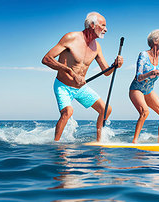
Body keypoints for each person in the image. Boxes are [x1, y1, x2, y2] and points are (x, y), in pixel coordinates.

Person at [42, 12, 123, 142]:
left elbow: (106, 72)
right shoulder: (71, 37)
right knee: (68, 112)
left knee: (106, 109)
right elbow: (46, 59)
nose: (106, 29)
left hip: (81, 87)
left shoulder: (97, 47)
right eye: (103, 25)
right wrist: (69, 71)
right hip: (63, 85)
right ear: (92, 25)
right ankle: (56, 145)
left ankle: (99, 142)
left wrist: (115, 65)